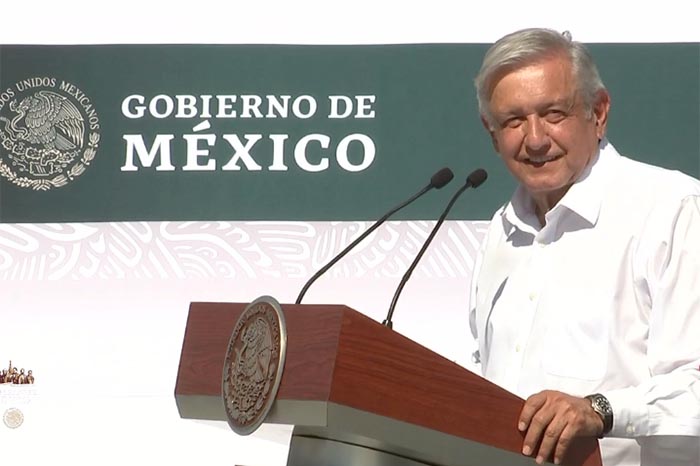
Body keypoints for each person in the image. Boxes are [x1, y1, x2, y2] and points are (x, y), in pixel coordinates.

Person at [469, 28, 700, 466]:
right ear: (492, 133)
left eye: (553, 113)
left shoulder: (671, 209)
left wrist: (600, 410)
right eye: (514, 121)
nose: (535, 139)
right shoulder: (501, 231)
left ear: (599, 112)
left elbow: (694, 383)